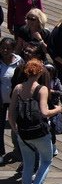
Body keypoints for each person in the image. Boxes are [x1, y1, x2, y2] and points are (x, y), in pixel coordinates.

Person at [8, 59, 62, 184]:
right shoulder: (42, 89)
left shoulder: (18, 88)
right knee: (46, 160)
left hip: (23, 134)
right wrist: (58, 110)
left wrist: (16, 130)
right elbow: (45, 113)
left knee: (28, 167)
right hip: (40, 132)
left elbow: (11, 114)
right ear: (39, 72)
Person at [0, 37, 22, 165]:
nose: (4, 50)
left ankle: (18, 150)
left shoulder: (20, 62)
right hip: (1, 101)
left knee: (17, 126)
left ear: (13, 49)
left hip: (16, 100)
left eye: (8, 48)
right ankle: (0, 152)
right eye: (2, 47)